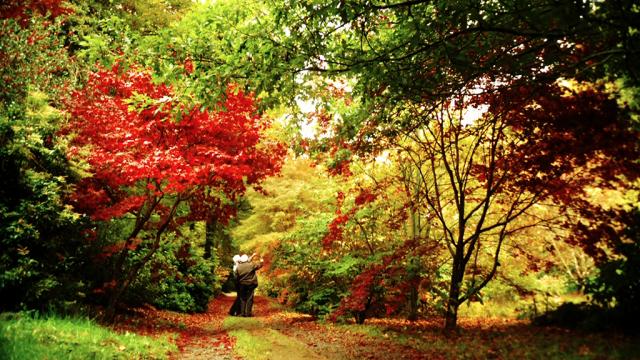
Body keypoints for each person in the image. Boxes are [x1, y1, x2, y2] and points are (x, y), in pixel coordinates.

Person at [236, 252, 263, 317]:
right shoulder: (251, 265)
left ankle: (242, 313)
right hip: (251, 284)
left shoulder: (238, 267)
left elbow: (237, 276)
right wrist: (261, 261)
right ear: (247, 259)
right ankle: (248, 313)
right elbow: (259, 266)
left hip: (242, 284)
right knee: (249, 298)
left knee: (242, 299)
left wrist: (252, 256)